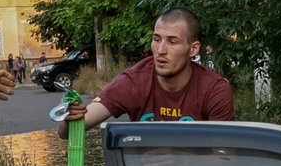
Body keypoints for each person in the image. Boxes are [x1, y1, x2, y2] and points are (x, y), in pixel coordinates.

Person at [57, 8, 233, 139]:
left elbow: (224, 155)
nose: (161, 50)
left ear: (193, 49)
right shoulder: (133, 81)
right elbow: (68, 133)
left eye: (172, 42)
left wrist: (178, 155)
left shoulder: (214, 89)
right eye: (157, 39)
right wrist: (69, 118)